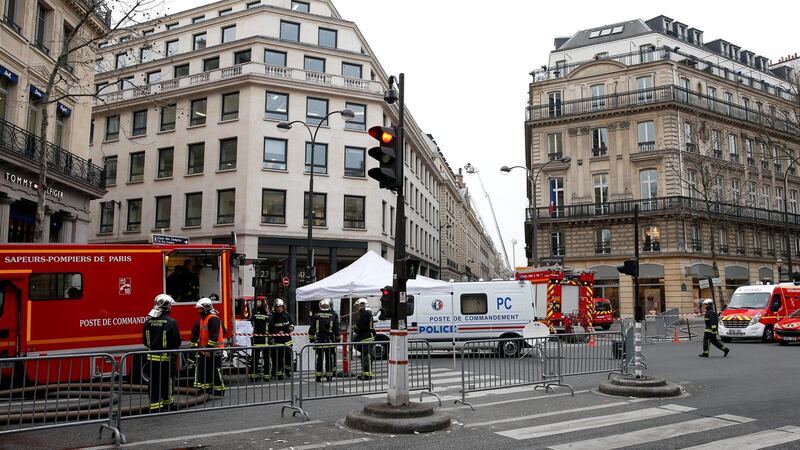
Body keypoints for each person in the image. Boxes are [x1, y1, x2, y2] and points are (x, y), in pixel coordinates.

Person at [142, 294, 181, 413]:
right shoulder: (171, 322)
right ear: (167, 307)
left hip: (152, 359)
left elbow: (145, 341)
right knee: (167, 382)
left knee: (154, 382)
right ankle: (168, 404)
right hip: (166, 359)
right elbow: (177, 341)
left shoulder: (148, 322)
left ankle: (155, 406)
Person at [190, 297, 225, 395]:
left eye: (200, 309)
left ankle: (219, 390)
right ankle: (208, 389)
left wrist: (208, 350)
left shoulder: (213, 319)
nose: (199, 311)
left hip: (214, 350)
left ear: (206, 308)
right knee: (207, 370)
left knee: (215, 370)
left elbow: (214, 337)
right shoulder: (203, 319)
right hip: (206, 350)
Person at [309, 299, 339, 382]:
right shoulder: (333, 315)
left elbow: (312, 328)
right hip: (329, 340)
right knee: (329, 359)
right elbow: (336, 328)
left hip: (319, 341)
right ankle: (329, 376)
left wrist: (311, 338)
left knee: (319, 359)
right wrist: (337, 339)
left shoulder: (316, 315)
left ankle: (318, 376)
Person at [269, 298, 294, 379]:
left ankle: (287, 370)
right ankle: (279, 373)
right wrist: (277, 332)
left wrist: (291, 327)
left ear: (283, 307)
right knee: (278, 358)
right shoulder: (273, 317)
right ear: (275, 308)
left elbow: (292, 323)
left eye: (280, 307)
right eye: (277, 307)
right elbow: (271, 328)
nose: (279, 308)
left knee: (288, 357)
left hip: (287, 340)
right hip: (278, 340)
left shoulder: (287, 315)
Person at [249, 298, 271, 381]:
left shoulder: (255, 316)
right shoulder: (268, 317)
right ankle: (266, 376)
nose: (268, 309)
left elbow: (251, 320)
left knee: (255, 359)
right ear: (264, 309)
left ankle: (253, 376)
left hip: (256, 341)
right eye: (267, 308)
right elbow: (271, 328)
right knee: (266, 359)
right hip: (265, 341)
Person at [353, 298, 375, 380]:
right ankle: (364, 373)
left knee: (366, 356)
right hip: (364, 336)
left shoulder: (366, 313)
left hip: (367, 336)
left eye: (358, 306)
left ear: (363, 305)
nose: (357, 308)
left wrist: (356, 328)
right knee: (364, 356)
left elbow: (360, 325)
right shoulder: (365, 312)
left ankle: (368, 375)